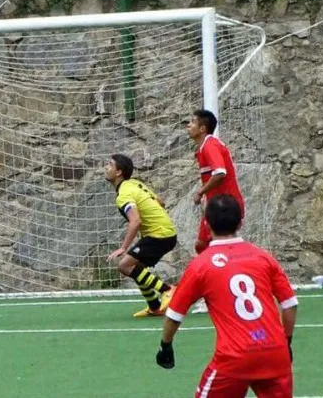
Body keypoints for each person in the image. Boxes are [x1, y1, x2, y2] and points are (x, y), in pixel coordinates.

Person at [156, 194, 298, 398]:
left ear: (206, 224)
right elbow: (290, 304)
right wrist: (287, 341)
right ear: (241, 222)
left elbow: (175, 315)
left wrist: (165, 345)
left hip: (235, 357)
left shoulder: (201, 265)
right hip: (276, 351)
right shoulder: (263, 256)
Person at [105, 154, 177, 318]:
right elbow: (161, 202)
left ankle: (168, 290)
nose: (106, 167)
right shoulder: (135, 184)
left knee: (124, 265)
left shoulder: (124, 194)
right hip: (165, 232)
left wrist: (123, 248)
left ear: (118, 172)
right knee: (137, 268)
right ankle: (155, 307)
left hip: (159, 235)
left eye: (109, 165)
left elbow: (135, 221)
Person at [186, 110, 245, 254]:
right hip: (217, 204)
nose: (188, 125)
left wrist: (200, 192)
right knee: (203, 246)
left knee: (210, 246)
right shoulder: (204, 147)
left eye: (193, 122)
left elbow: (220, 173)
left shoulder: (210, 145)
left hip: (225, 206)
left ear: (202, 129)